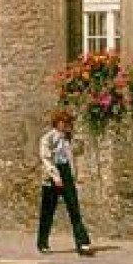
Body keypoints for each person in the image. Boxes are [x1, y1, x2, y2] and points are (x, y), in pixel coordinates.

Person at [37, 109, 93, 256]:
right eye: (64, 123)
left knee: (74, 208)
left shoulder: (69, 139)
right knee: (48, 211)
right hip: (52, 175)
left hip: (66, 172)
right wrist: (56, 177)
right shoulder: (48, 138)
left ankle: (83, 243)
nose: (66, 125)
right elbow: (46, 158)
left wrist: (76, 174)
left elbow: (76, 154)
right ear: (57, 123)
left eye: (68, 123)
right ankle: (42, 243)